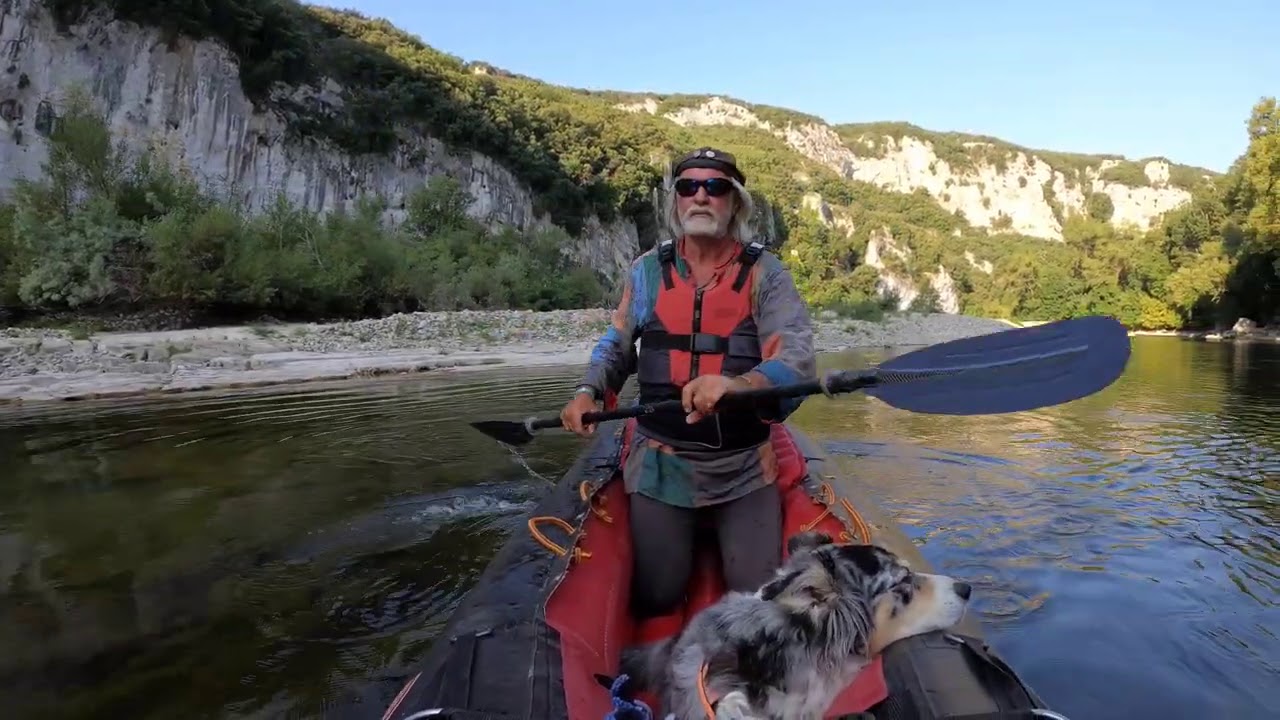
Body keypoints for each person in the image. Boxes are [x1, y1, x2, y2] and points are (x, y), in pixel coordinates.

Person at [559, 146, 818, 621]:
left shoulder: (767, 274)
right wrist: (589, 390)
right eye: (688, 187)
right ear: (675, 202)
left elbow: (798, 363)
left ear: (735, 203)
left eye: (715, 187)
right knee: (657, 596)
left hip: (743, 466)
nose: (701, 196)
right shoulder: (646, 272)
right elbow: (617, 342)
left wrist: (741, 384)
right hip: (662, 463)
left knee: (758, 603)